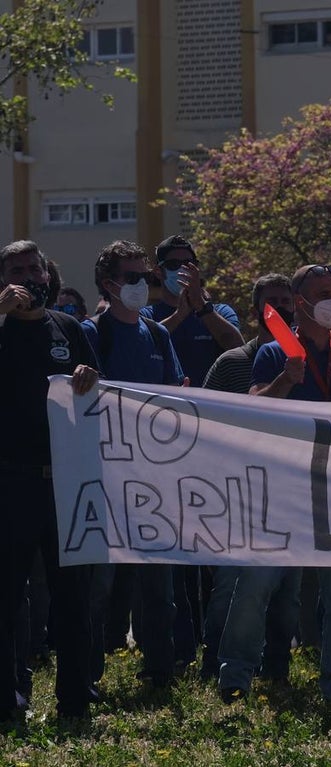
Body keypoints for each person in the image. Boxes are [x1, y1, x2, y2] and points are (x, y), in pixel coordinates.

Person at [216, 264, 331, 707]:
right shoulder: (276, 352)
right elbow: (252, 409)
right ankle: (234, 679)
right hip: (283, 488)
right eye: (322, 293)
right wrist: (285, 381)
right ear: (299, 302)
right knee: (254, 588)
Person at [0, 240, 100, 721]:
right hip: (11, 482)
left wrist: (87, 374)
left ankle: (75, 701)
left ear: (47, 272)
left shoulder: (69, 327)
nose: (28, 277)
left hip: (65, 483)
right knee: (8, 597)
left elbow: (97, 393)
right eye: (17, 270)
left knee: (72, 597)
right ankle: (9, 697)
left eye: (34, 268)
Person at [82, 240, 186, 691]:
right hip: (103, 477)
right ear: (108, 283)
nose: (142, 285)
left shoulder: (158, 334)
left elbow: (177, 395)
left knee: (157, 585)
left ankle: (160, 670)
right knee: (98, 585)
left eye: (147, 277)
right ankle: (86, 674)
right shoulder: (88, 332)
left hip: (153, 476)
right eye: (132, 277)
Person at [198, 273, 295, 682]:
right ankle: (214, 663)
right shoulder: (232, 362)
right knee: (228, 587)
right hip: (236, 489)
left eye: (287, 302)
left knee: (284, 593)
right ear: (256, 309)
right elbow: (202, 423)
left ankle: (276, 667)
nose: (281, 310)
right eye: (272, 302)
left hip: (288, 491)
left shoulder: (308, 364)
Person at [141, 234, 243, 386]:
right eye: (173, 264)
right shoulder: (146, 316)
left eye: (189, 263)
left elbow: (238, 348)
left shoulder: (221, 312)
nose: (182, 269)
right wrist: (178, 316)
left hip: (209, 407)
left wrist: (202, 307)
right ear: (158, 271)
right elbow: (139, 347)